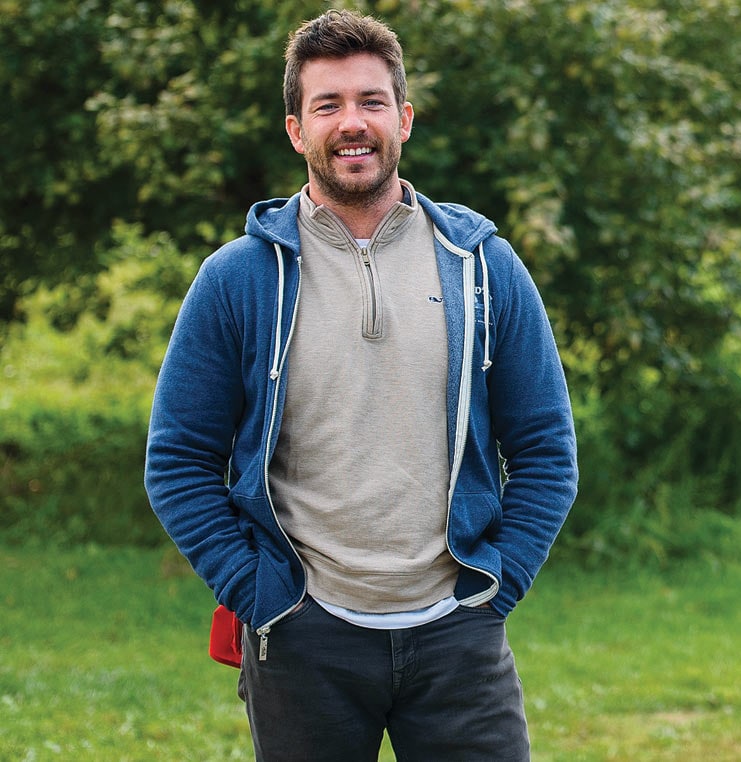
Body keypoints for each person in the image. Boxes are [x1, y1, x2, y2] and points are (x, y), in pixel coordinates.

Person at [144, 8, 577, 761]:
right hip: (303, 641)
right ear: (295, 129)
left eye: (372, 102)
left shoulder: (480, 265)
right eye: (328, 104)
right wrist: (260, 597)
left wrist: (492, 595)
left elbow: (545, 448)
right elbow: (177, 462)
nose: (353, 123)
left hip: (457, 636)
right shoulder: (237, 279)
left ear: (403, 119)